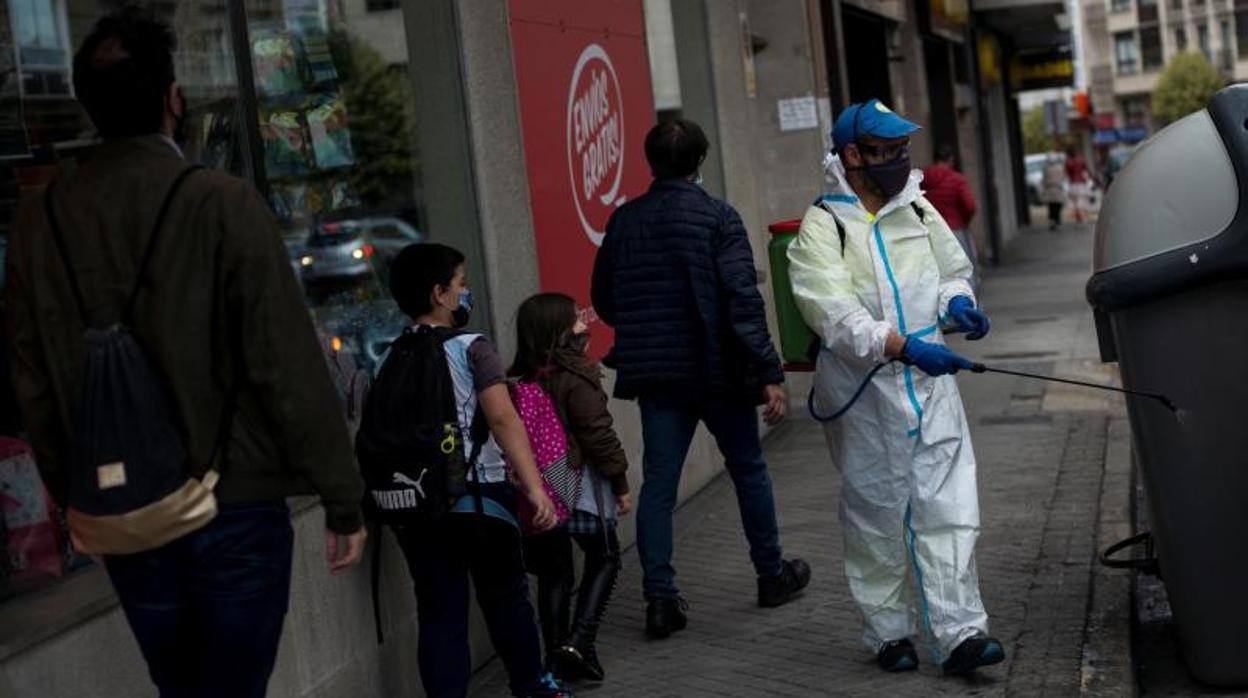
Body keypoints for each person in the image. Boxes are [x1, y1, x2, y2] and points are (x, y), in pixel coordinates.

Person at [3, 9, 368, 696]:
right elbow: (285, 363)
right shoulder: (221, 203)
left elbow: (34, 381)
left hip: (122, 508)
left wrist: (76, 491)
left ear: (87, 105)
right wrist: (342, 497)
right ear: (175, 99)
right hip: (234, 497)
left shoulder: (40, 220)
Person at [786, 99, 1005, 676]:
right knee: (877, 515)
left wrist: (958, 303)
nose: (899, 160)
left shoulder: (919, 209)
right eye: (885, 150)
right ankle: (888, 633)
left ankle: (961, 634)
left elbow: (951, 269)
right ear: (852, 155)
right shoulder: (822, 227)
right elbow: (831, 312)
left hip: (931, 390)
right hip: (867, 395)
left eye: (902, 148)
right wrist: (904, 346)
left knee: (949, 508)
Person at [591, 118, 811, 640]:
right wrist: (768, 373)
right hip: (718, 370)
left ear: (651, 163)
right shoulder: (718, 217)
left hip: (659, 374)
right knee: (749, 470)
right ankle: (770, 574)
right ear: (700, 161)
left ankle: (660, 600)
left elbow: (604, 298)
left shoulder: (625, 222)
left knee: (659, 485)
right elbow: (742, 300)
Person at [384, 244, 568, 698]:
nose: (467, 292)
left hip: (419, 508)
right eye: (461, 284)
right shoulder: (472, 348)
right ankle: (532, 687)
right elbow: (504, 420)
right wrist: (535, 488)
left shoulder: (391, 356)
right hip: (480, 499)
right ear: (440, 294)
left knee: (439, 612)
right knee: (506, 598)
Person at [510, 293, 631, 684]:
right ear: (558, 331)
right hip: (577, 484)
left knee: (555, 573)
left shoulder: (521, 380)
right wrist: (620, 481)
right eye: (576, 319)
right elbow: (598, 434)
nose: (584, 324)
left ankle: (557, 662)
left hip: (537, 488)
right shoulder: (575, 376)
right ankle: (578, 642)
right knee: (606, 556)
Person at [922, 143, 980, 293]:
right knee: (964, 271)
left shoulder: (922, 179)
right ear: (950, 159)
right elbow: (970, 206)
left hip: (931, 232)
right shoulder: (956, 179)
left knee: (939, 273)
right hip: (956, 230)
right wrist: (964, 222)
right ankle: (970, 307)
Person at [1065, 145, 1093, 223]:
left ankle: (1079, 219)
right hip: (1081, 183)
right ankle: (1082, 218)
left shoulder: (1068, 161)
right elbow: (1086, 171)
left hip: (1073, 184)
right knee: (1081, 202)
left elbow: (1067, 173)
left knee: (1075, 202)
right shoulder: (1081, 160)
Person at [1041, 152, 1067, 231]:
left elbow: (1044, 180)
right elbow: (1063, 178)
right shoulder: (1060, 168)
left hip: (1049, 189)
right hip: (1058, 188)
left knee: (1051, 206)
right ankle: (1057, 221)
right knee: (1058, 206)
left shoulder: (1046, 168)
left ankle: (1052, 221)